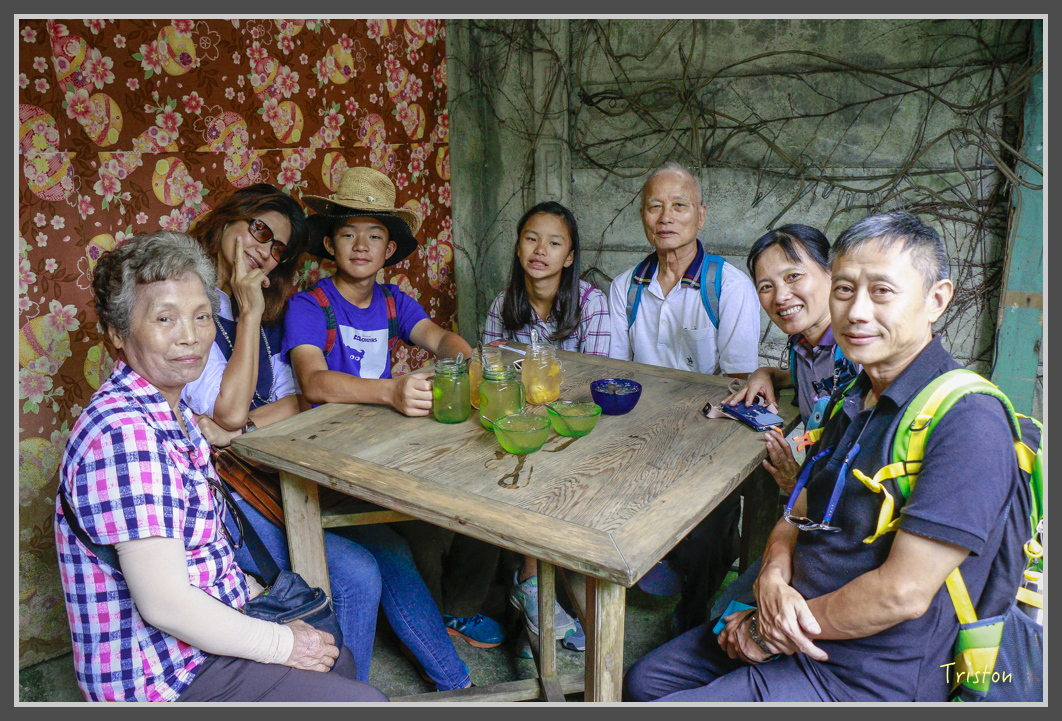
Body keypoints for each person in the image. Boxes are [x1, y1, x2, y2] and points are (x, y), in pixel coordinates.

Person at [623, 211, 1028, 702]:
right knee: (645, 681)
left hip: (867, 670)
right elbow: (799, 506)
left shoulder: (967, 421)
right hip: (794, 615)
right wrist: (772, 574)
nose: (857, 311)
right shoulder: (851, 395)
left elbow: (902, 593)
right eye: (844, 290)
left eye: (882, 291)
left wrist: (763, 630)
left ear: (936, 300)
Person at [55, 231, 387, 702]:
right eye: (165, 318)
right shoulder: (123, 433)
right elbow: (165, 605)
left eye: (201, 316)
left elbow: (203, 551)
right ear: (116, 333)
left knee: (339, 658)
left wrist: (256, 599)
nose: (189, 336)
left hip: (200, 647)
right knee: (363, 702)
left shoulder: (174, 414)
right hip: (163, 676)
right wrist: (283, 643)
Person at [178, 183, 384, 682]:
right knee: (358, 574)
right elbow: (224, 409)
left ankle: (437, 683)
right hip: (218, 499)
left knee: (387, 548)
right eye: (260, 231)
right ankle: (346, 696)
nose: (265, 253)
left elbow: (298, 399)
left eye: (278, 249)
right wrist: (248, 311)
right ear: (228, 220)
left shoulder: (267, 315)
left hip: (263, 472)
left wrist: (245, 425)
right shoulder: (188, 302)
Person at [283, 166, 475, 691]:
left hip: (376, 455)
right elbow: (314, 383)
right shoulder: (311, 304)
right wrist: (391, 391)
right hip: (323, 459)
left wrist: (459, 363)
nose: (361, 245)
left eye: (374, 235)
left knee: (420, 535)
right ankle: (363, 690)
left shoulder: (394, 302)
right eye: (348, 233)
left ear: (390, 249)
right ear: (330, 243)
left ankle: (455, 681)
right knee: (387, 552)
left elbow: (443, 340)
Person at [608, 161, 761, 635]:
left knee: (709, 530)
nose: (666, 216)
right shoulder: (625, 286)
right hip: (642, 426)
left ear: (701, 215)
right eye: (655, 206)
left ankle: (694, 612)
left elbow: (738, 381)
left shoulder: (728, 285)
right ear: (642, 216)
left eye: (679, 205)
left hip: (710, 428)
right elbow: (617, 375)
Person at [708, 224, 861, 620]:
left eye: (794, 276)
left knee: (734, 617)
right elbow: (817, 381)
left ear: (831, 273)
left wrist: (800, 484)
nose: (781, 296)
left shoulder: (859, 350)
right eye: (766, 286)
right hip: (811, 505)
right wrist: (767, 373)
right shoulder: (802, 345)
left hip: (848, 531)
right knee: (724, 613)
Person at [480, 200, 610, 653]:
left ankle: (539, 580)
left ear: (569, 257)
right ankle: (530, 580)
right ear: (518, 247)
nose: (541, 250)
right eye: (531, 239)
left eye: (554, 243)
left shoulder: (592, 304)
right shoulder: (504, 304)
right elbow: (492, 372)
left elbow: (596, 378)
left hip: (574, 423)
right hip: (521, 423)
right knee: (505, 464)